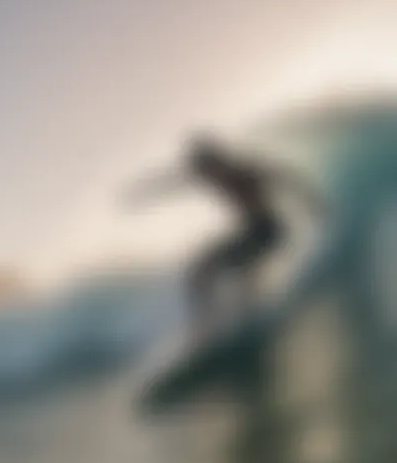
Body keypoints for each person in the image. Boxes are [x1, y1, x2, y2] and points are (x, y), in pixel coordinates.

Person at [124, 134, 320, 341]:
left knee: (231, 274)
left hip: (267, 230)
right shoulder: (212, 173)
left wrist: (310, 200)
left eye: (205, 169)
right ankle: (213, 324)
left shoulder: (242, 170)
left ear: (215, 161)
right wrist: (144, 192)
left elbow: (281, 176)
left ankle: (237, 318)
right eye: (201, 171)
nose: (204, 176)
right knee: (199, 275)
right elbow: (174, 180)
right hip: (251, 231)